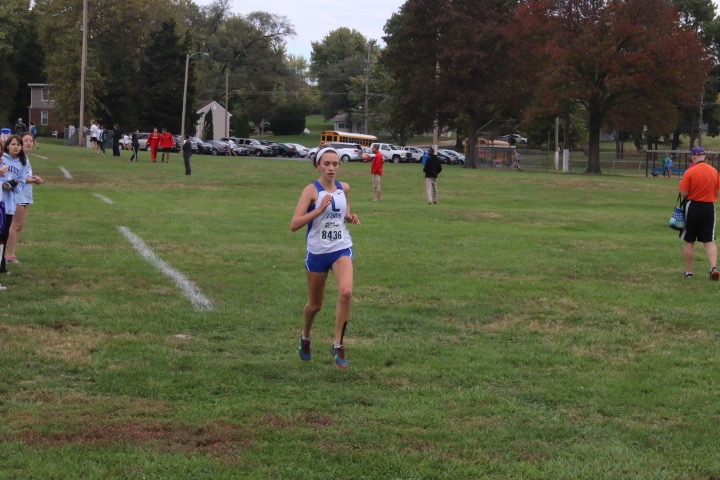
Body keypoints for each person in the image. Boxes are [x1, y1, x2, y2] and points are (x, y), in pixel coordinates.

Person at [290, 147, 361, 369]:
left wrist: (348, 216)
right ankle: (306, 337)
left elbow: (343, 208)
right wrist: (318, 209)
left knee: (347, 292)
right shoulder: (311, 191)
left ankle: (338, 344)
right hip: (318, 253)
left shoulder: (344, 188)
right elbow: (294, 224)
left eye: (335, 164)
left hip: (341, 248)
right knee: (315, 305)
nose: (331, 168)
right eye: (327, 164)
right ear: (318, 165)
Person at [679, 145, 720, 280]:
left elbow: (684, 193)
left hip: (693, 207)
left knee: (689, 240)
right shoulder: (715, 172)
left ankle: (689, 272)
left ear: (694, 156)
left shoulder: (690, 172)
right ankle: (713, 267)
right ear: (705, 156)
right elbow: (718, 192)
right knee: (709, 240)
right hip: (709, 207)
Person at [5, 132, 44, 265]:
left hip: (24, 194)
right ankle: (9, 255)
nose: (28, 143)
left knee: (19, 226)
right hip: (17, 195)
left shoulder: (24, 159)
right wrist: (33, 180)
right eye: (25, 140)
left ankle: (11, 253)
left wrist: (33, 179)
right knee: (15, 225)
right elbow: (19, 178)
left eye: (30, 141)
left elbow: (24, 177)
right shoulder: (15, 159)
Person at [0, 135, 28, 276]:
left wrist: (14, 186)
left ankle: (2, 264)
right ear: (7, 146)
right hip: (0, 200)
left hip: (9, 203)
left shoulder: (23, 162)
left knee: (3, 235)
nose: (16, 146)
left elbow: (22, 182)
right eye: (13, 144)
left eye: (18, 144)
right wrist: (3, 184)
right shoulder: (2, 158)